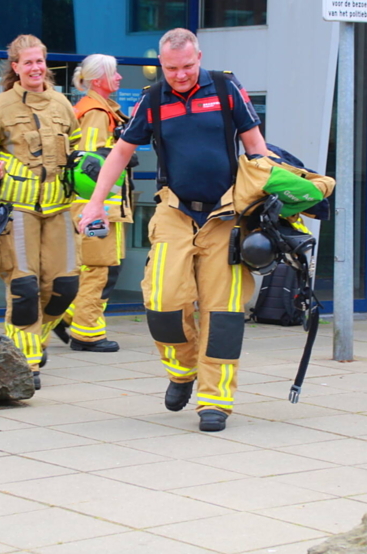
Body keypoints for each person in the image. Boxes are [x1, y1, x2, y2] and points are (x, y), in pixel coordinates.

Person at [77, 28, 270, 432]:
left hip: (225, 216)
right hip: (175, 212)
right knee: (162, 303)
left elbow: (256, 148)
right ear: (161, 65)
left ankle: (215, 400)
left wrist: (267, 204)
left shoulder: (225, 87)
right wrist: (95, 202)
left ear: (198, 56)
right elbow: (121, 152)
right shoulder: (153, 99)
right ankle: (182, 370)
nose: (180, 75)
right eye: (170, 68)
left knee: (223, 313)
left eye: (186, 66)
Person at [0, 34, 80, 390]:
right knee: (25, 287)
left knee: (64, 285)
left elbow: (76, 150)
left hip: (59, 206)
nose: (35, 68)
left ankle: (39, 338)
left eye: (39, 61)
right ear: (15, 67)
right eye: (27, 62)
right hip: (18, 210)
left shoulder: (62, 104)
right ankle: (26, 360)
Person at [60, 54, 132, 352]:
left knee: (97, 267)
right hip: (98, 207)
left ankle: (66, 315)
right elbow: (90, 162)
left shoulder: (98, 110)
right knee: (99, 268)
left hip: (98, 206)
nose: (120, 78)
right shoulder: (97, 113)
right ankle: (87, 332)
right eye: (114, 74)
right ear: (97, 79)